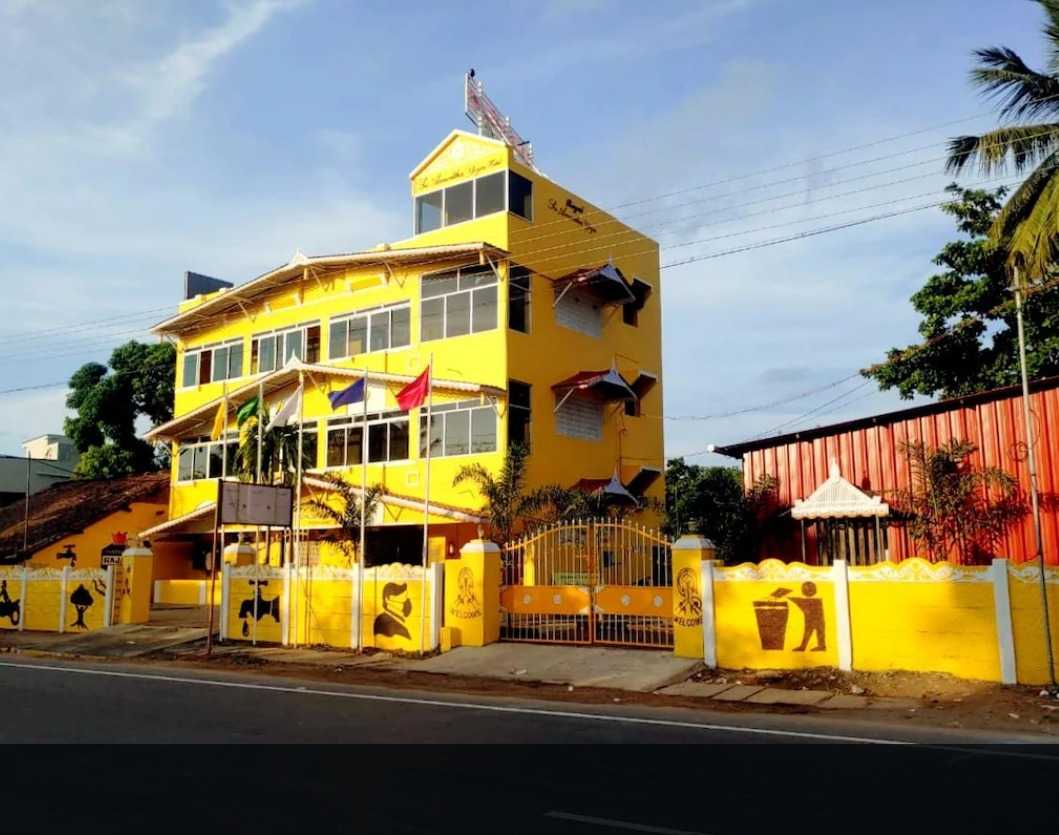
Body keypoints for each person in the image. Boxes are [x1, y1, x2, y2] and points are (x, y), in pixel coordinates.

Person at [790, 581, 826, 652]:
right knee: (812, 632)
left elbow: (798, 601)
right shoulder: (814, 600)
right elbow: (797, 600)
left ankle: (820, 646)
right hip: (813, 620)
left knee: (817, 632)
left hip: (815, 620)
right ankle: (804, 647)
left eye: (806, 589)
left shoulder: (814, 600)